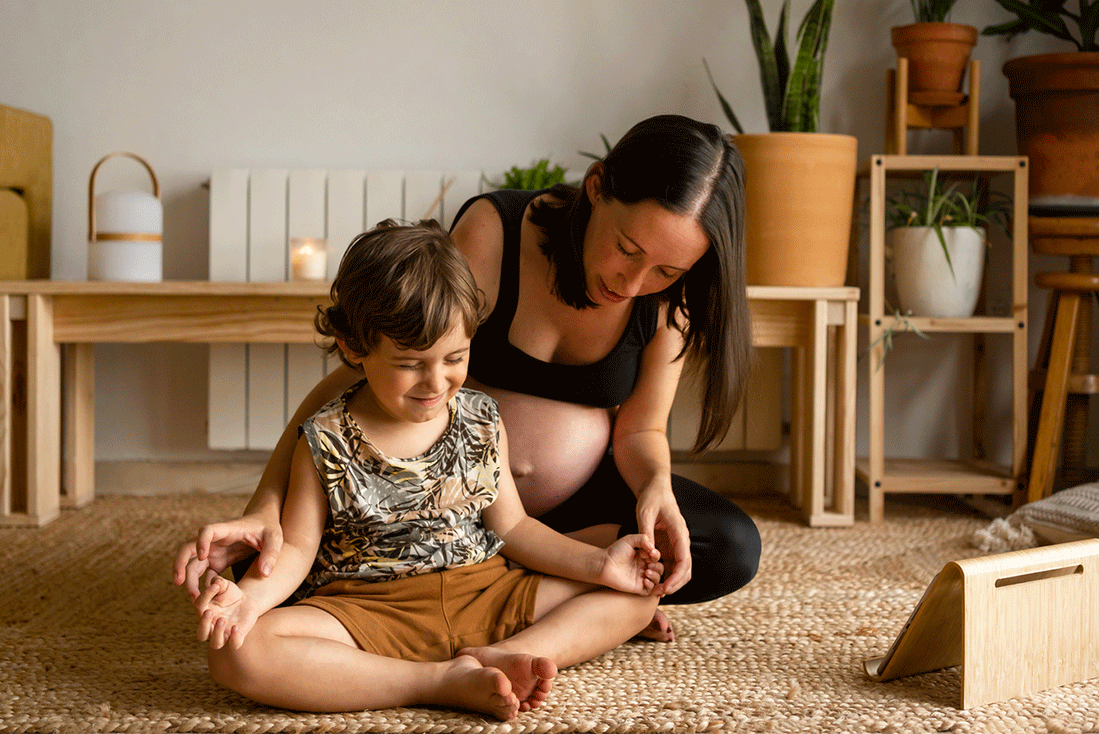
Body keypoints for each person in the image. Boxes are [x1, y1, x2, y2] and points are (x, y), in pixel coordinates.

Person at [175, 114, 762, 640]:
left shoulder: (673, 304)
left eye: (666, 269)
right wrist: (264, 505)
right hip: (432, 504)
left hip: (562, 518)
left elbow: (640, 432)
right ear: (597, 189)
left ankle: (545, 578)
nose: (633, 285)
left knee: (724, 546)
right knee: (263, 567)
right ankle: (549, 592)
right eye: (626, 249)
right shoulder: (496, 232)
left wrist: (656, 485)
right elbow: (363, 379)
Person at [188, 220, 665, 719]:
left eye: (455, 357)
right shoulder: (325, 438)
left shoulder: (482, 420)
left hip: (484, 588)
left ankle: (510, 653)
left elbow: (515, 527)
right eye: (411, 364)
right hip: (369, 607)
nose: (435, 382)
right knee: (236, 651)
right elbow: (299, 550)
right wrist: (249, 599)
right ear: (355, 348)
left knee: (638, 598)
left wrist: (600, 566)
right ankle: (435, 681)